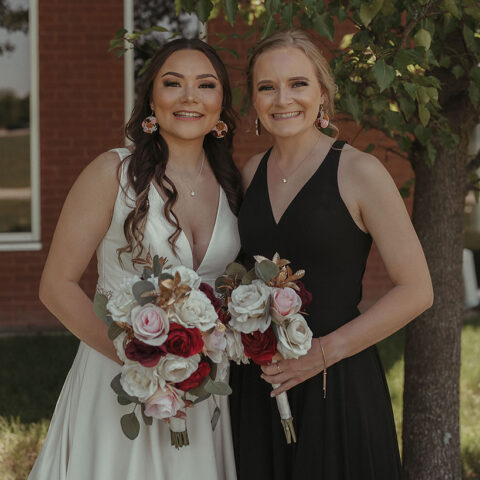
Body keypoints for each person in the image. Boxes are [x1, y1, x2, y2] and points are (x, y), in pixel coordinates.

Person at [29, 38, 241, 480]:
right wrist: (143, 361)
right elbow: (56, 286)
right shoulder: (113, 173)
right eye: (172, 83)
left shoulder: (234, 183)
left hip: (203, 390)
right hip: (118, 381)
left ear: (221, 105)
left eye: (205, 85)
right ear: (151, 100)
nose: (189, 97)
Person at [229, 29, 433, 480]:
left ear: (323, 93)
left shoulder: (360, 171)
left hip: (335, 380)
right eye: (267, 87)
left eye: (298, 84)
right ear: (254, 101)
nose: (283, 99)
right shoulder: (250, 172)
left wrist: (322, 353)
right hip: (261, 385)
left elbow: (417, 290)